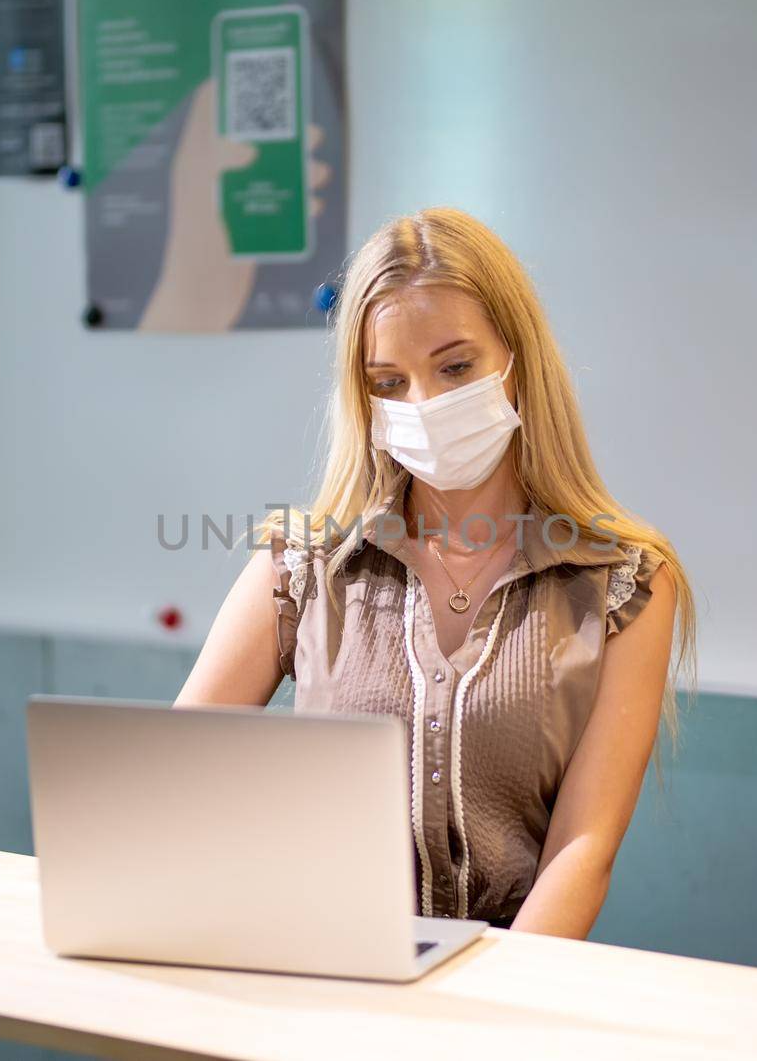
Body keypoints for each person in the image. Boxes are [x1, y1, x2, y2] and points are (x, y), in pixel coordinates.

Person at [176, 207, 695, 940]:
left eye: (455, 366)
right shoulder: (300, 566)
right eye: (388, 381)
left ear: (518, 359)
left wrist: (482, 1025)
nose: (423, 404)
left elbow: (583, 852)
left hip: (509, 995)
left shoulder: (626, 584)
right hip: (323, 975)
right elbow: (172, 782)